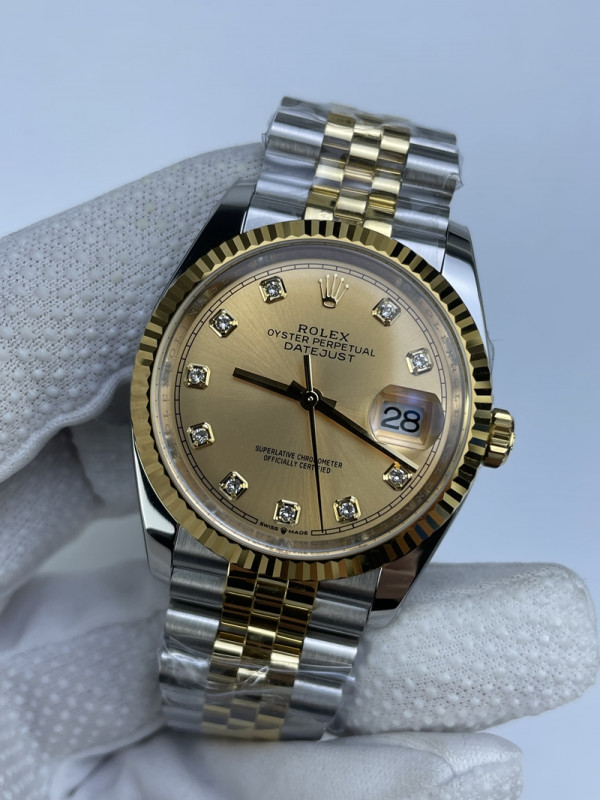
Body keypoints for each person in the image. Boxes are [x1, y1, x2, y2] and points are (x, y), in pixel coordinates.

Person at [0, 146, 597, 800]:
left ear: (483, 435)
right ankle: (225, 717)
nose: (312, 399)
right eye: (305, 394)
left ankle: (235, 718)